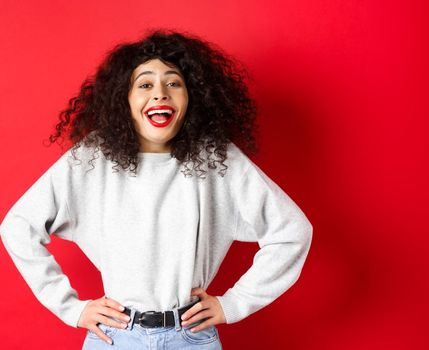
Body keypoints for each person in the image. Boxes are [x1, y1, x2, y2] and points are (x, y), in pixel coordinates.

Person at [0, 29, 313, 349]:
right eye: (145, 84)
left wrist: (234, 303)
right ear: (125, 97)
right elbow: (18, 226)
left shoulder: (216, 159)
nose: (160, 93)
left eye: (174, 82)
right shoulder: (93, 159)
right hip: (115, 336)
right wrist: (71, 308)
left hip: (191, 337)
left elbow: (292, 231)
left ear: (193, 96)